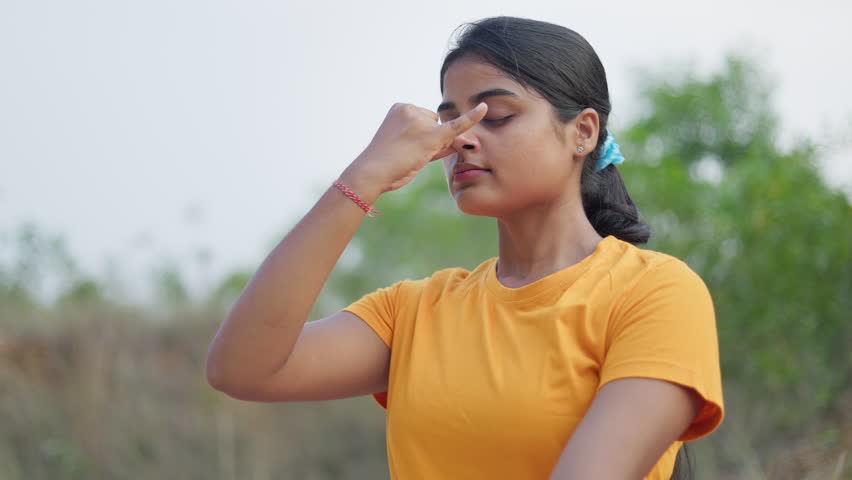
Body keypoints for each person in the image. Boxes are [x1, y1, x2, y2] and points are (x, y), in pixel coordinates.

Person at [206, 16, 724, 480]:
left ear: (582, 132)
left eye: (496, 116)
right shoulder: (413, 312)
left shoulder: (655, 294)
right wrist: (362, 179)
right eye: (451, 121)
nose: (463, 140)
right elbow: (242, 369)